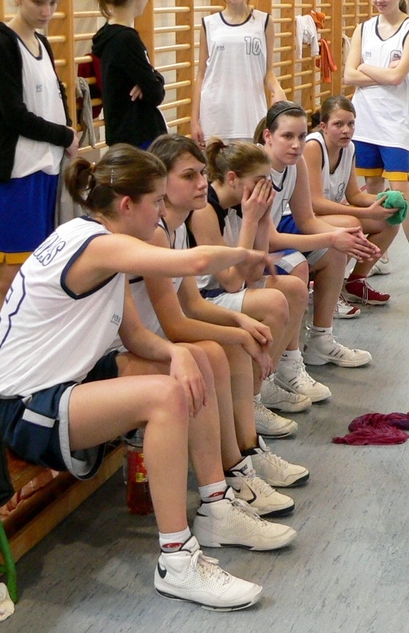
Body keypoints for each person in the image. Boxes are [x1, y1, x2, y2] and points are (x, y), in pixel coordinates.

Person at [0, 144, 299, 610]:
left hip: (62, 386)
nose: (160, 212)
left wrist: (176, 352)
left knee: (199, 358)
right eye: (155, 201)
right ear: (127, 205)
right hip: (22, 409)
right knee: (166, 396)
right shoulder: (98, 244)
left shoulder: (101, 242)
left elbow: (134, 335)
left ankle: (217, 507)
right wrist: (247, 250)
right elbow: (194, 263)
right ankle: (177, 560)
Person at [130, 134, 309, 484]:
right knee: (222, 347)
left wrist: (239, 322)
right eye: (189, 176)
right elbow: (210, 298)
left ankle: (247, 451)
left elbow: (194, 304)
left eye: (201, 173)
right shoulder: (165, 230)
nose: (201, 182)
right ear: (160, 182)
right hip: (140, 342)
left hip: (169, 325)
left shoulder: (175, 228)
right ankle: (234, 468)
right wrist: (238, 332)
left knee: (236, 337)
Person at [0, 0, 79, 344]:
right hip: (17, 175)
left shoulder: (42, 42)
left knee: (37, 272)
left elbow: (55, 95)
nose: (47, 12)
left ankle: (28, 354)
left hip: (47, 171)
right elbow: (14, 114)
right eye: (38, 2)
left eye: (53, 2)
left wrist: (69, 130)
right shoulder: (0, 44)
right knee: (7, 277)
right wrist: (63, 135)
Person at [187, 137, 331, 407]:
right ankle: (251, 402)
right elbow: (231, 282)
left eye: (269, 180)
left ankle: (268, 382)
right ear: (232, 178)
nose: (267, 188)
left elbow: (252, 275)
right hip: (203, 298)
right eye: (260, 180)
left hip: (225, 290)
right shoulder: (206, 210)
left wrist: (263, 220)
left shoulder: (243, 204)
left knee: (294, 287)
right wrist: (252, 220)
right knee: (273, 301)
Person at [253, 101, 378, 368]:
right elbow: (269, 239)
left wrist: (346, 236)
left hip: (268, 241)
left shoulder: (295, 164)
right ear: (268, 136)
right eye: (287, 136)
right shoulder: (256, 170)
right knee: (299, 265)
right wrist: (332, 237)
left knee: (336, 250)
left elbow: (307, 220)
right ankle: (288, 362)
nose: (296, 144)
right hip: (246, 253)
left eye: (301, 136)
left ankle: (321, 341)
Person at [303, 96, 400, 307]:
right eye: (338, 124)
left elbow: (354, 195)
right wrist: (366, 213)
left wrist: (384, 201)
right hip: (303, 218)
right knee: (351, 225)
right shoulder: (313, 147)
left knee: (389, 221)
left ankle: (355, 282)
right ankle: (328, 290)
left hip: (327, 215)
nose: (346, 130)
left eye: (351, 124)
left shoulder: (349, 148)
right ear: (323, 126)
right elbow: (315, 203)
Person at [344, 0, 409, 244]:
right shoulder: (363, 28)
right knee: (372, 191)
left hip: (396, 123)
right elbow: (348, 76)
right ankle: (378, 251)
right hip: (365, 121)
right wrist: (384, 73)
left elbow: (396, 78)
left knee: (401, 196)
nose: (379, 0)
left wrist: (365, 67)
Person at [190, 0, 286, 147]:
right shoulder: (209, 24)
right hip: (216, 116)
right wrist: (194, 121)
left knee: (253, 164)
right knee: (217, 166)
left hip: (251, 114)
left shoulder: (264, 22)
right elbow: (201, 74)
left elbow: (268, 72)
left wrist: (277, 89)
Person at [92, 0, 167, 149]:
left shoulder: (108, 34)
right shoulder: (126, 39)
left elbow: (149, 81)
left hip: (123, 134)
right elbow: (156, 93)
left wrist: (150, 79)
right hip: (136, 136)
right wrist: (152, 80)